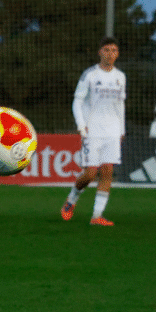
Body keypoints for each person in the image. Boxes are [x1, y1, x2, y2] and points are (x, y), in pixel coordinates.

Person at [61, 36, 126, 226]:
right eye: (106, 50)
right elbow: (77, 101)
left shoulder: (120, 77)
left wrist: (121, 130)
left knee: (107, 172)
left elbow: (120, 105)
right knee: (90, 173)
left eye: (114, 50)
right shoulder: (90, 74)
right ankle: (72, 199)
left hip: (113, 132)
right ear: (100, 52)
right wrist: (82, 125)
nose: (110, 54)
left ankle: (97, 216)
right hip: (93, 131)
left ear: (117, 54)